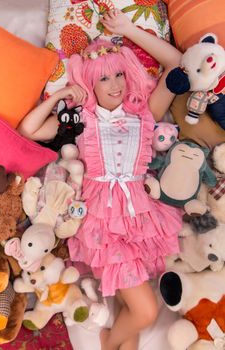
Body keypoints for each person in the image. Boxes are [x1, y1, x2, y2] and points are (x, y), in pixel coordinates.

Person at [18, 9, 182, 350]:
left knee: (130, 314)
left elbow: (177, 64)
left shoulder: (144, 113)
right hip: (103, 224)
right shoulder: (82, 122)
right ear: (90, 84)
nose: (116, 85)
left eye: (119, 74)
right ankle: (107, 340)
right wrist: (61, 96)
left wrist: (128, 29)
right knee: (146, 312)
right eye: (104, 79)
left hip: (141, 220)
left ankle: (114, 341)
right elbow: (28, 130)